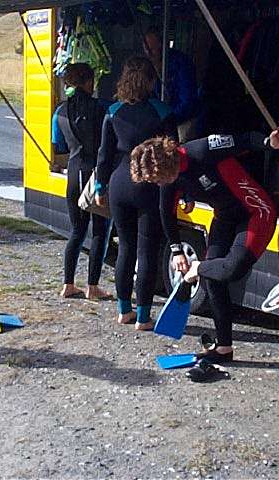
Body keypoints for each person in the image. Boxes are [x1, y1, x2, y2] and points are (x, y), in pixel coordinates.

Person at [130, 128, 279, 359]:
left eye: (158, 180)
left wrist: (269, 142)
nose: (158, 184)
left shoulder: (202, 150)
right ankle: (224, 348)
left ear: (167, 165)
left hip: (257, 212)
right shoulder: (168, 179)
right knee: (212, 277)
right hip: (225, 217)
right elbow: (166, 212)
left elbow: (243, 138)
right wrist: (176, 251)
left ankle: (199, 271)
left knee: (231, 269)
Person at [95, 56, 177, 330]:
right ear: (151, 81)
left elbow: (104, 154)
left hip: (119, 182)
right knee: (147, 250)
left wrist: (99, 186)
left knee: (125, 248)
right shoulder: (162, 111)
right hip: (149, 185)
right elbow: (173, 155)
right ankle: (143, 316)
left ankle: (123, 310)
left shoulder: (113, 111)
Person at [51, 63, 113, 300]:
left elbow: (59, 145)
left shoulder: (60, 112)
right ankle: (93, 286)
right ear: (89, 83)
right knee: (99, 231)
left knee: (77, 231)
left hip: (74, 170)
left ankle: (68, 284)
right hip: (96, 172)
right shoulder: (103, 108)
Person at [143, 27, 201, 140]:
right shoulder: (148, 66)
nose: (149, 53)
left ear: (161, 45)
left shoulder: (181, 63)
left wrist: (168, 119)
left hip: (182, 122)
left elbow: (187, 100)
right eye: (147, 49)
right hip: (160, 124)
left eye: (152, 49)